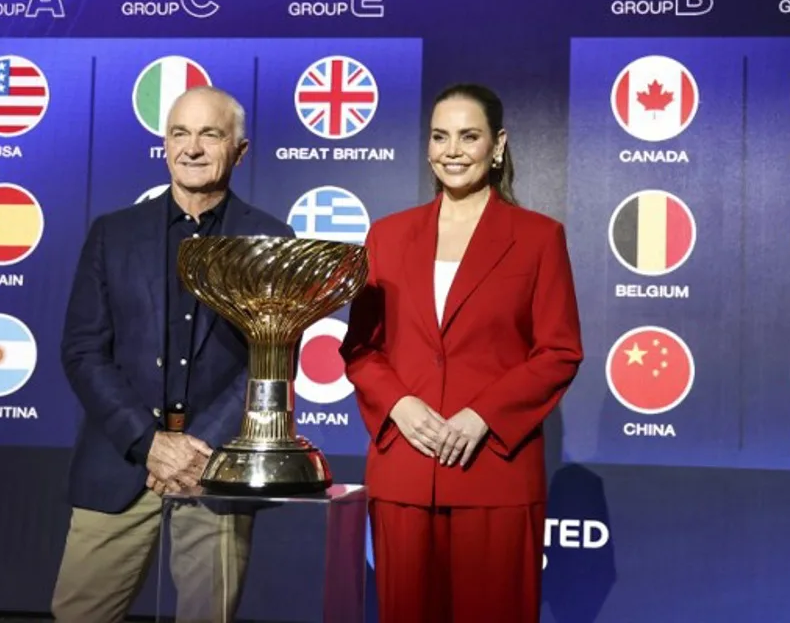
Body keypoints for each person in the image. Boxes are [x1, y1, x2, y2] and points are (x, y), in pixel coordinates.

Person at [339, 83, 584, 622]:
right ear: (427, 148)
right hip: (405, 465)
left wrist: (483, 417)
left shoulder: (539, 237)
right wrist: (399, 405)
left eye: (468, 137)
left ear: (497, 146)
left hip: (493, 469)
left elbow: (559, 351)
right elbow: (360, 348)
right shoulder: (387, 235)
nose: (452, 150)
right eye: (440, 136)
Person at [51, 86, 294, 623]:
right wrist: (149, 442)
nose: (192, 147)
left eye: (211, 134)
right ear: (164, 144)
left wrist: (197, 447)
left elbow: (271, 359)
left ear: (241, 149)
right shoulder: (112, 234)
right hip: (120, 464)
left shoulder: (270, 241)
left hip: (216, 471)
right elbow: (84, 350)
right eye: (179, 133)